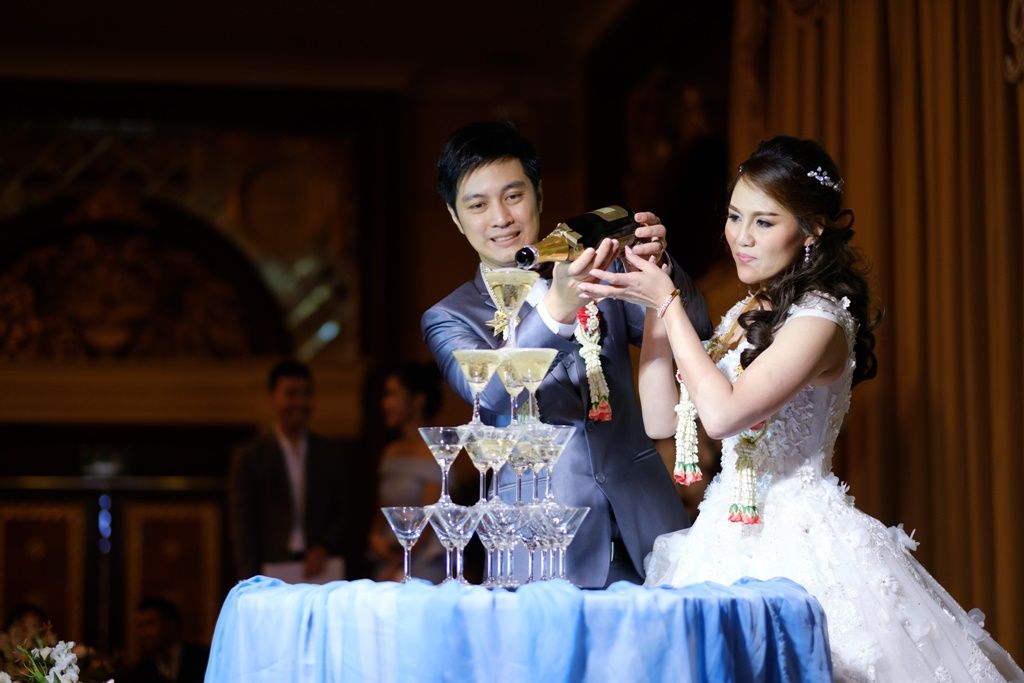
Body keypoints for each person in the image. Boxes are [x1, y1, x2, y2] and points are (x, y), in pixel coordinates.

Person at [578, 136, 1024, 681]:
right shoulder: (747, 311)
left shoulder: (821, 320)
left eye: (764, 222)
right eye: (735, 216)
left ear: (811, 230)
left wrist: (668, 303)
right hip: (720, 534)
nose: (741, 237)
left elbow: (723, 416)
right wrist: (654, 305)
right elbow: (659, 419)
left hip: (802, 543)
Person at [422, 121, 712, 588]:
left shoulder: (599, 270)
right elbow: (491, 394)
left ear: (538, 195)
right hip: (540, 547)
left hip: (648, 526)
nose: (501, 217)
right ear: (456, 218)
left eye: (513, 196)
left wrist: (660, 266)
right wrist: (556, 310)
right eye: (478, 205)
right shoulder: (449, 316)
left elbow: (697, 330)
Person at [228, 359, 354, 581]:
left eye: (306, 394)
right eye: (291, 394)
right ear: (272, 397)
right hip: (270, 570)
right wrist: (250, 580)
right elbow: (243, 527)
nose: (299, 402)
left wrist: (324, 546)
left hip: (322, 569)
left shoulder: (329, 453)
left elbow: (343, 511)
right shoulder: (251, 456)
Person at [368, 362, 447, 583]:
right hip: (387, 558)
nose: (385, 403)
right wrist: (374, 537)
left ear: (418, 400)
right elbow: (382, 511)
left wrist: (397, 565)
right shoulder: (390, 451)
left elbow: (429, 521)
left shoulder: (436, 450)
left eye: (393, 394)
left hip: (422, 565)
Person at [120, 597, 208, 683]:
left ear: (170, 625)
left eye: (150, 624)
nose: (144, 633)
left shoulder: (204, 660)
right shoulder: (138, 673)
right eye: (140, 625)